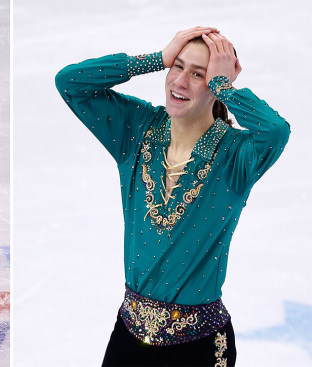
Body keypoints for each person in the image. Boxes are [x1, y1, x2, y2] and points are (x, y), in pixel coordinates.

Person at [55, 27, 290, 366]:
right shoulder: (135, 130)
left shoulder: (236, 156)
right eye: (177, 67)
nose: (179, 82)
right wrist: (156, 59)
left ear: (216, 83)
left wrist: (225, 87)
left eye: (198, 74)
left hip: (199, 346)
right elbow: (70, 83)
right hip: (129, 336)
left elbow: (275, 131)